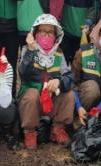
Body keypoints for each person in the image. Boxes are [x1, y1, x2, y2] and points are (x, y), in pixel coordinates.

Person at [18, 14, 75, 150]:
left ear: (56, 35)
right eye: (42, 31)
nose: (46, 35)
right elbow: (23, 73)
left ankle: (58, 129)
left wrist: (59, 82)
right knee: (31, 94)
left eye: (50, 32)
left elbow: (69, 77)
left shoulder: (59, 54)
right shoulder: (27, 50)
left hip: (51, 101)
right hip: (33, 103)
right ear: (35, 33)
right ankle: (30, 132)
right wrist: (31, 51)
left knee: (69, 94)